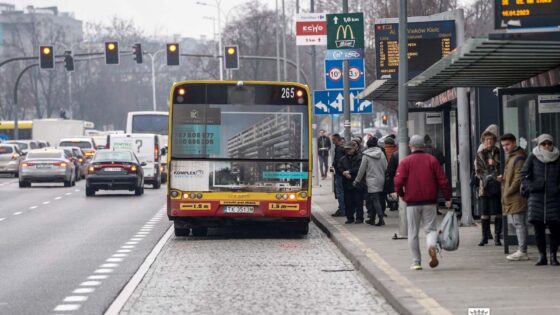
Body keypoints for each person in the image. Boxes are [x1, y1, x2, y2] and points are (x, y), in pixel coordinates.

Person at [392, 135, 451, 270]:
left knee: (413, 232)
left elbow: (398, 181)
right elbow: (443, 180)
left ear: (410, 146)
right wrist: (447, 197)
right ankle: (431, 246)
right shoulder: (432, 160)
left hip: (412, 202)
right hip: (430, 201)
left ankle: (416, 262)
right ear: (424, 146)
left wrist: (401, 194)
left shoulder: (405, 162)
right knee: (430, 229)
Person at [521, 134, 560, 266]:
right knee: (539, 230)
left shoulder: (558, 157)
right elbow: (523, 175)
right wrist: (532, 187)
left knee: (556, 230)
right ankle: (542, 256)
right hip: (536, 198)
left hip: (554, 198)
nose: (547, 146)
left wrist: (557, 188)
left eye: (549, 143)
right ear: (539, 145)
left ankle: (553, 256)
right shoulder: (533, 156)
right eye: (544, 144)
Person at [500, 133, 529, 261]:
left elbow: (518, 178)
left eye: (507, 145)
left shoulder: (518, 158)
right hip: (514, 195)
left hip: (517, 196)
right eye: (503, 146)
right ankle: (521, 249)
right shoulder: (512, 157)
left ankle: (522, 250)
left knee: (519, 223)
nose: (505, 148)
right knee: (518, 223)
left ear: (514, 143)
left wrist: (508, 191)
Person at [475, 126, 502, 246]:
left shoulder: (499, 152)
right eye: (486, 140)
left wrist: (495, 163)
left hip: (497, 186)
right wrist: (487, 176)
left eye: (491, 139)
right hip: (484, 187)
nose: (488, 142)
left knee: (497, 212)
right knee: (484, 212)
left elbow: (503, 167)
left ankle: (497, 237)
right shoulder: (480, 154)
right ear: (483, 141)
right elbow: (478, 170)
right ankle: (484, 237)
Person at [354, 137, 388, 226]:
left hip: (371, 180)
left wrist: (357, 180)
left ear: (368, 145)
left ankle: (381, 219)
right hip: (381, 179)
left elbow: (362, 170)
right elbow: (385, 167)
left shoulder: (366, 156)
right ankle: (372, 218)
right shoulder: (381, 154)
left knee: (375, 199)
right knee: (375, 199)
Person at [338, 140, 364, 224]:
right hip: (347, 183)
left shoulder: (360, 157)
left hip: (357, 182)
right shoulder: (343, 159)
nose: (348, 151)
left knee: (358, 201)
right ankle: (350, 218)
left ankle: (359, 218)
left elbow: (360, 168)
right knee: (348, 202)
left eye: (349, 149)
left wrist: (350, 172)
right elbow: (339, 168)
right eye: (346, 149)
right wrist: (343, 173)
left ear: (354, 148)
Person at [330, 134, 346, 217]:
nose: (332, 141)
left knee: (340, 192)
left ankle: (342, 209)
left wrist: (337, 169)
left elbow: (339, 161)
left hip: (340, 173)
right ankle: (342, 208)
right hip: (341, 173)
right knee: (341, 191)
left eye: (333, 140)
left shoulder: (339, 149)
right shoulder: (339, 148)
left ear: (337, 139)